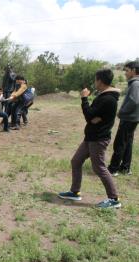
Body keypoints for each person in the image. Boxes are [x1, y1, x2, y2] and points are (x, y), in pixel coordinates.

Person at [58, 69, 121, 209]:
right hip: (90, 137)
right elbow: (92, 118)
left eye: (95, 79)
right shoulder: (103, 96)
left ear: (100, 80)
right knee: (76, 161)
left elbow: (89, 116)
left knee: (99, 168)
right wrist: (93, 118)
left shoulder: (108, 99)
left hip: (98, 139)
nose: (94, 82)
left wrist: (84, 98)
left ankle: (114, 199)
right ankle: (75, 192)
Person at [108, 61, 139, 176]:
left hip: (129, 118)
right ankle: (125, 168)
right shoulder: (135, 83)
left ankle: (113, 169)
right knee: (128, 143)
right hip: (133, 118)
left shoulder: (135, 84)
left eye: (127, 70)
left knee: (120, 143)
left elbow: (134, 101)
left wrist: (121, 112)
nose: (125, 73)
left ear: (134, 71)